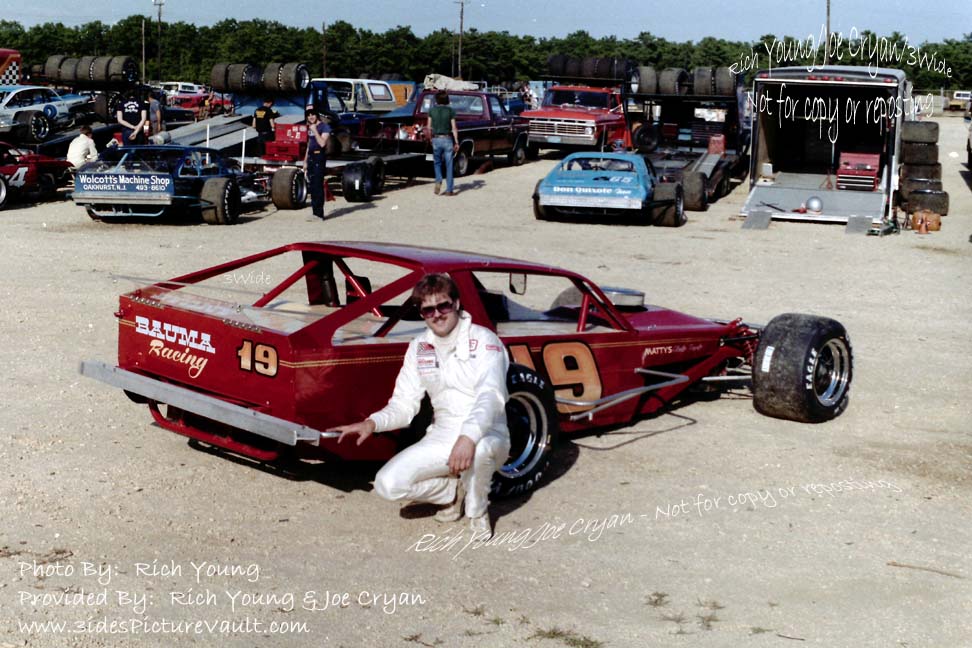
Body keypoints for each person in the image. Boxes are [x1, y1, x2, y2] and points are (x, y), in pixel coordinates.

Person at [333, 274, 511, 540]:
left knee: (481, 450)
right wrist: (372, 423)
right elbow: (404, 404)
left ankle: (477, 512)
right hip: (443, 433)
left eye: (443, 306)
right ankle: (450, 493)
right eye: (428, 310)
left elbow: (492, 395)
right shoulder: (419, 347)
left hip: (488, 432)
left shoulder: (485, 340)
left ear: (456, 304)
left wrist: (468, 437)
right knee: (387, 485)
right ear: (421, 313)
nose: (437, 315)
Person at [426, 90, 459, 196]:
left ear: (436, 100)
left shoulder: (431, 111)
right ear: (447, 100)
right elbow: (454, 128)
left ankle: (438, 180)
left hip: (436, 139)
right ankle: (449, 190)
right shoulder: (450, 111)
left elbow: (428, 127)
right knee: (449, 165)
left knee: (437, 162)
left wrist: (430, 138)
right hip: (447, 139)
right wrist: (456, 142)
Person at [302, 108, 331, 220]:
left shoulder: (324, 127)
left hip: (319, 157)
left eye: (313, 115)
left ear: (317, 115)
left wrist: (314, 131)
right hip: (311, 157)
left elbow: (322, 143)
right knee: (312, 186)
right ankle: (315, 212)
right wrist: (305, 161)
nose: (311, 117)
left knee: (318, 185)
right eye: (308, 115)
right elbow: (309, 145)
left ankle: (319, 214)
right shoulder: (310, 127)